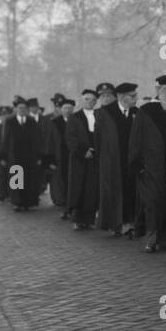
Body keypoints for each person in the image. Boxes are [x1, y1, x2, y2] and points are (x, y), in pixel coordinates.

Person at [131, 74, 166, 252]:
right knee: (154, 202)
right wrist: (137, 164)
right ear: (162, 90)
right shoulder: (147, 111)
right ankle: (152, 238)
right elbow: (136, 139)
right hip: (152, 166)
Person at [66, 87, 103, 229]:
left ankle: (89, 219)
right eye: (87, 99)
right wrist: (83, 152)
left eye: (93, 100)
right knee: (79, 188)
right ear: (81, 100)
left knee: (92, 189)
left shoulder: (100, 115)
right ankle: (78, 219)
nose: (90, 102)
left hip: (96, 159)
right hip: (80, 159)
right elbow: (70, 138)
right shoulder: (74, 117)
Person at [0, 97, 43, 212]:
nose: (22, 110)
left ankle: (26, 202)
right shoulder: (9, 121)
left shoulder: (31, 121)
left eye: (24, 108)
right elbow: (5, 139)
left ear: (27, 109)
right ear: (15, 109)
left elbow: (37, 140)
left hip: (29, 156)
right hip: (14, 155)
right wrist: (3, 156)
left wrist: (38, 156)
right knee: (16, 179)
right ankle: (16, 202)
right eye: (20, 108)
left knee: (28, 179)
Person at [112, 82, 140, 237]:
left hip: (133, 161)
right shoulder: (108, 113)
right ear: (122, 97)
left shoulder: (138, 112)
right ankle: (119, 222)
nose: (136, 98)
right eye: (133, 96)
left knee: (133, 192)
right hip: (116, 162)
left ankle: (132, 222)